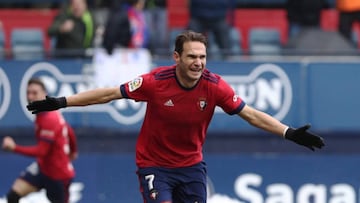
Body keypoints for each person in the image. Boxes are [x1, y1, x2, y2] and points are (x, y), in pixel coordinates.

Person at [26, 30, 325, 202]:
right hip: (154, 165)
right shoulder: (155, 82)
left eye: (203, 57)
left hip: (192, 166)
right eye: (192, 56)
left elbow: (251, 115)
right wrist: (61, 102)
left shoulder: (215, 86)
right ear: (177, 57)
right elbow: (107, 94)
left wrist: (289, 133)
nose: (198, 63)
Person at [2, 78, 78, 203]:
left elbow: (42, 151)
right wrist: (74, 150)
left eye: (34, 93)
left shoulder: (48, 118)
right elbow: (68, 129)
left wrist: (14, 148)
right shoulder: (46, 113)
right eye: (28, 92)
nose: (30, 96)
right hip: (43, 167)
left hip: (58, 175)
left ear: (45, 94)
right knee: (13, 195)